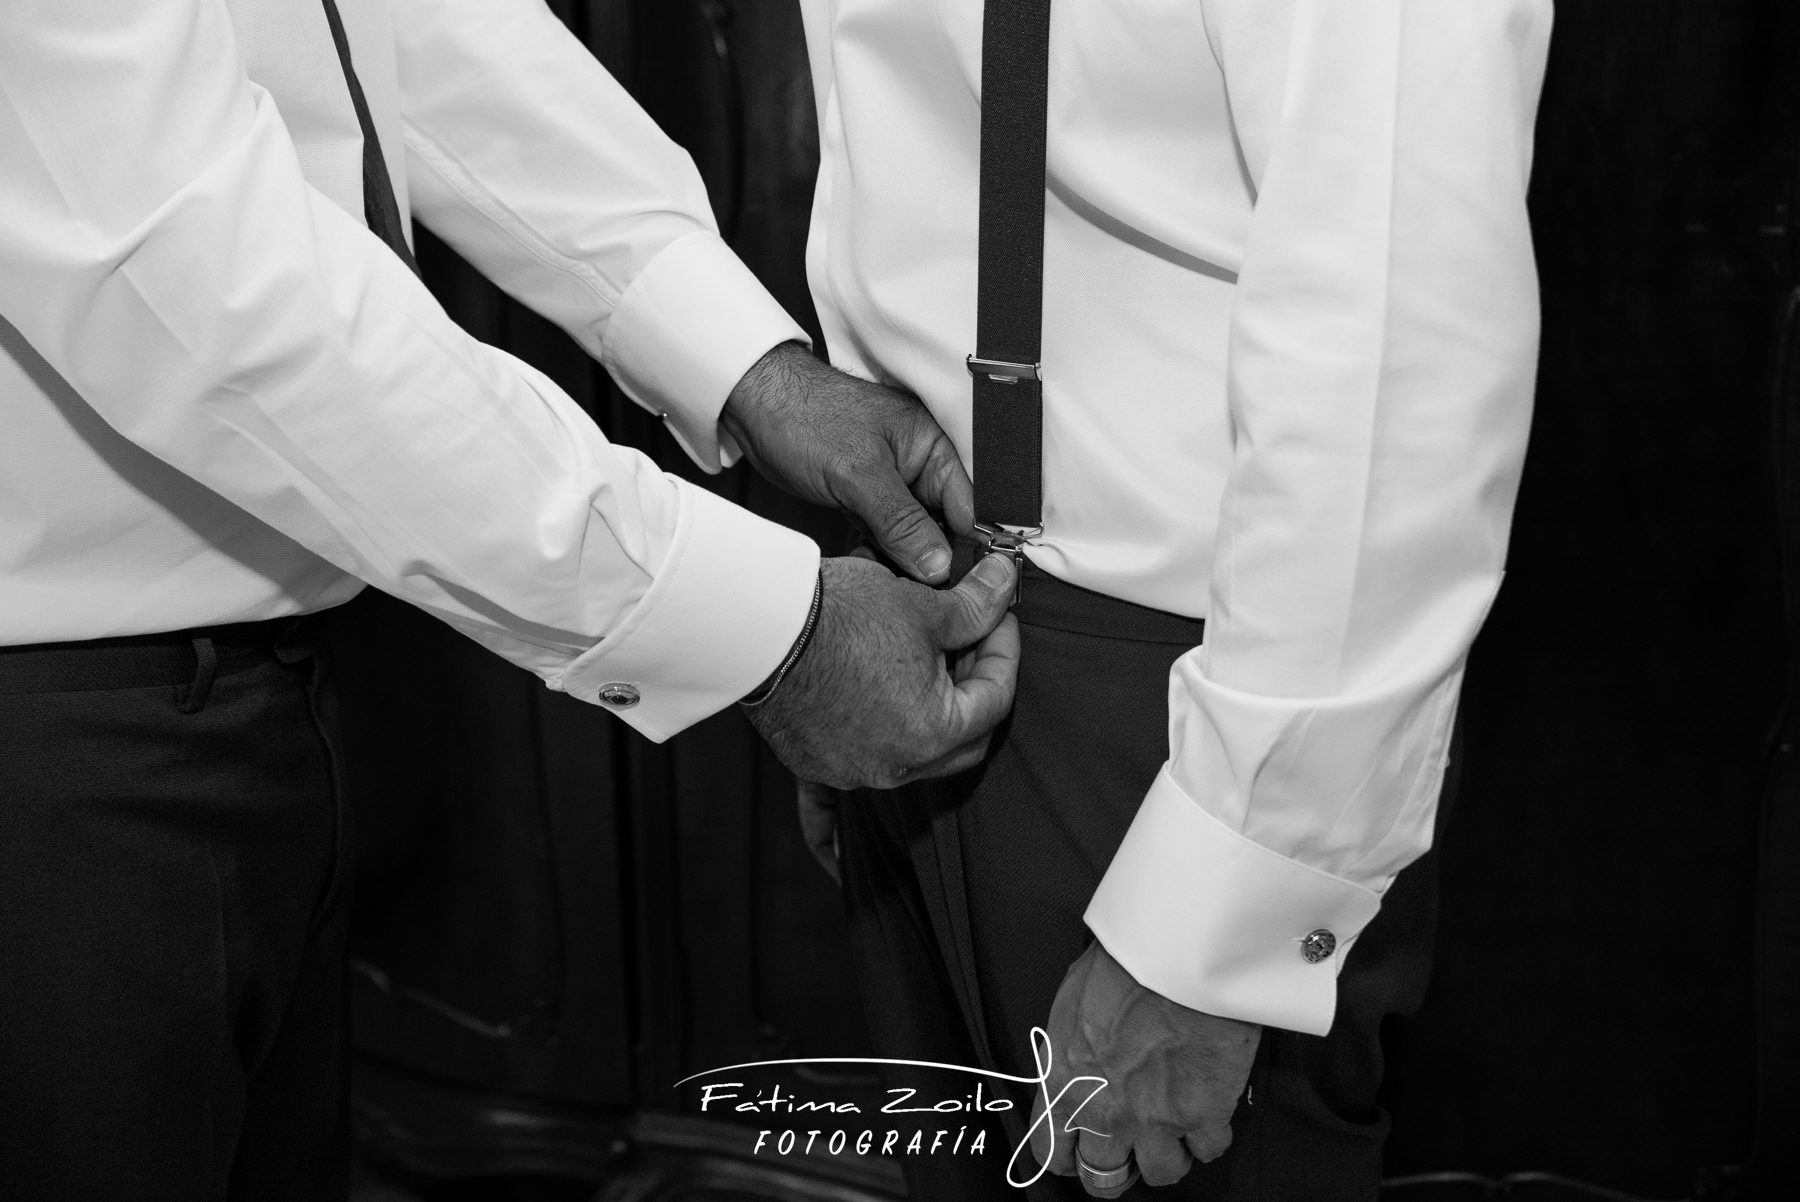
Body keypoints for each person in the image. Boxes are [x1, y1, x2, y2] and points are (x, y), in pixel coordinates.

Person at [0, 0, 1020, 1196]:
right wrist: (769, 630)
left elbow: (391, 25)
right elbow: (201, 283)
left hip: (266, 699)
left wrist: (748, 364)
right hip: (58, 754)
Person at [793, 0, 1553, 1197]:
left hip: (1185, 715)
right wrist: (838, 648)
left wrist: (1217, 918)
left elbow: (1401, 352)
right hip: (918, 615)